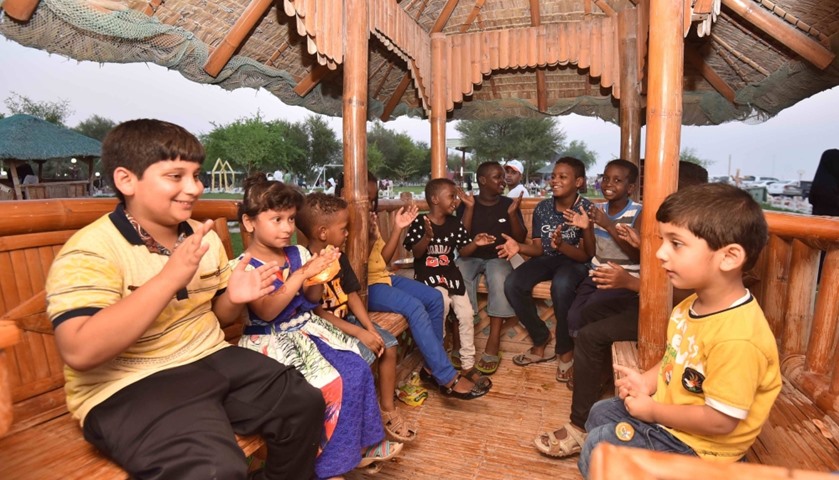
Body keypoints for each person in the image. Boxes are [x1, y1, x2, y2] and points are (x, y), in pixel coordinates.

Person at [44, 119, 324, 480]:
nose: (194, 188)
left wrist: (235, 299)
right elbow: (80, 351)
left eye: (196, 175)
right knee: (214, 470)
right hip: (126, 386)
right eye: (176, 176)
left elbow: (221, 318)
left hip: (209, 356)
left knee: (302, 403)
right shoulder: (90, 251)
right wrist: (169, 277)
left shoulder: (198, 235)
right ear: (126, 180)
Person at [577, 182, 781, 477]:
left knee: (599, 447)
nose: (660, 253)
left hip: (705, 448)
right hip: (674, 420)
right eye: (662, 240)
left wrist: (652, 411)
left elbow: (720, 421)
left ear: (729, 257)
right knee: (600, 412)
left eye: (676, 243)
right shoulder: (688, 307)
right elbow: (676, 357)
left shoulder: (739, 337)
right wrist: (646, 383)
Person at [533, 161, 708, 460]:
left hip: (658, 310)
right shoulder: (670, 226)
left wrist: (632, 281)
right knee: (585, 318)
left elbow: (680, 295)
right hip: (654, 305)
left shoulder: (698, 235)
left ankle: (579, 424)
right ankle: (593, 384)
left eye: (653, 188)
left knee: (589, 334)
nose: (646, 194)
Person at [236, 176, 401, 480]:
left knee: (357, 369)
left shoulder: (297, 253)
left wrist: (319, 276)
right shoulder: (247, 265)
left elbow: (312, 300)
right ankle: (326, 466)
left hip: (307, 329)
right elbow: (268, 311)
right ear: (249, 223)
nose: (287, 227)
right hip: (272, 341)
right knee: (329, 383)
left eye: (289, 219)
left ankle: (358, 448)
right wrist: (302, 275)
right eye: (277, 220)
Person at [354, 172, 490, 403]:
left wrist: (396, 228)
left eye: (373, 199)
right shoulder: (346, 222)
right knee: (416, 306)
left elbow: (382, 262)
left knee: (434, 299)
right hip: (362, 286)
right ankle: (445, 375)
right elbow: (357, 269)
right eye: (366, 198)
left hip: (382, 277)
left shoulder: (370, 220)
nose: (370, 204)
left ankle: (430, 367)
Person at [297, 192, 418, 444]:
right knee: (361, 360)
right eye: (343, 229)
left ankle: (388, 410)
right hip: (324, 328)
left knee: (389, 345)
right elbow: (317, 312)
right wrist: (360, 334)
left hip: (347, 320)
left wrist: (368, 327)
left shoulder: (339, 257)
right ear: (322, 232)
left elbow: (351, 295)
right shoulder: (308, 264)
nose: (347, 234)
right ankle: (363, 424)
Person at [498, 157, 593, 372]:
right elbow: (539, 249)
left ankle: (565, 348)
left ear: (578, 182)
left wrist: (563, 246)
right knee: (513, 283)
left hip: (574, 261)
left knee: (561, 286)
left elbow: (586, 255)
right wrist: (519, 247)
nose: (554, 181)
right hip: (546, 258)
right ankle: (540, 337)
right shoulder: (542, 208)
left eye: (562, 177)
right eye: (553, 176)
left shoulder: (586, 209)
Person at [403, 178, 495, 383]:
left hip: (451, 275)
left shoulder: (454, 223)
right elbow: (417, 254)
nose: (455, 201)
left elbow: (463, 250)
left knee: (467, 314)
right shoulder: (420, 222)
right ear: (435, 199)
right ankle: (438, 361)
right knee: (442, 305)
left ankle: (468, 364)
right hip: (428, 276)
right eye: (451, 196)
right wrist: (427, 237)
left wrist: (476, 243)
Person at [456, 161, 526, 375]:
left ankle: (493, 341)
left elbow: (521, 238)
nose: (503, 180)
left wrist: (513, 214)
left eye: (503, 176)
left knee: (499, 277)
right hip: (470, 256)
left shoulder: (508, 203)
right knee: (457, 273)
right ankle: (465, 330)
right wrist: (468, 209)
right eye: (497, 176)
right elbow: (461, 240)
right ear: (483, 180)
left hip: (499, 256)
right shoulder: (468, 202)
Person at [565, 159, 642, 349]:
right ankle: (581, 358)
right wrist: (586, 228)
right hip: (596, 275)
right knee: (573, 316)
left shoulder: (638, 213)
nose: (608, 184)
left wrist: (608, 224)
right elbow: (591, 252)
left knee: (591, 311)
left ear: (630, 187)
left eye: (617, 180)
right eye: (606, 178)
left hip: (623, 279)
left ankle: (596, 363)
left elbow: (637, 256)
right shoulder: (597, 210)